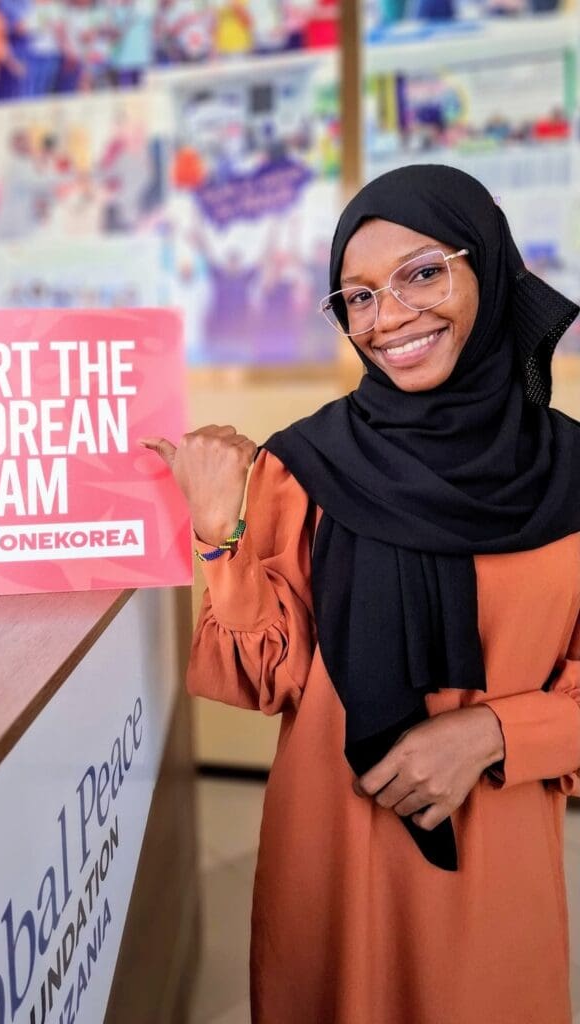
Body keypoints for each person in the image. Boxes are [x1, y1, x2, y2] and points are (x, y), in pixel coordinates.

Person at [140, 163, 580, 1023]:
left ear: (489, 267)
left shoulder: (572, 477)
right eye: (359, 297)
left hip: (494, 869)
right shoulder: (306, 466)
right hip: (331, 853)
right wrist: (221, 532)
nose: (390, 318)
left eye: (424, 273)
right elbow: (264, 678)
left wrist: (494, 732)